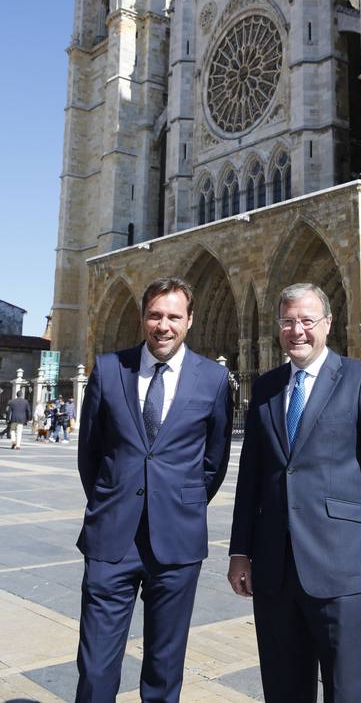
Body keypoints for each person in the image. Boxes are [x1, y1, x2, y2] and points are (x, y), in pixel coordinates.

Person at [228, 283, 361, 703]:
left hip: (342, 565)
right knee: (283, 688)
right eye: (288, 321)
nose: (297, 330)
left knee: (349, 689)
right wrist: (240, 551)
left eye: (307, 321)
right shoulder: (268, 388)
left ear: (327, 324)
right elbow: (250, 475)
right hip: (274, 567)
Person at [75, 276, 232, 703]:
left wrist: (182, 501)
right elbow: (89, 453)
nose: (163, 325)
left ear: (190, 321)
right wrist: (112, 498)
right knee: (95, 664)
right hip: (112, 537)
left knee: (165, 665)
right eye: (155, 315)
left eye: (173, 316)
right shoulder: (109, 369)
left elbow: (213, 461)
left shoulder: (213, 379)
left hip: (177, 539)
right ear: (144, 318)